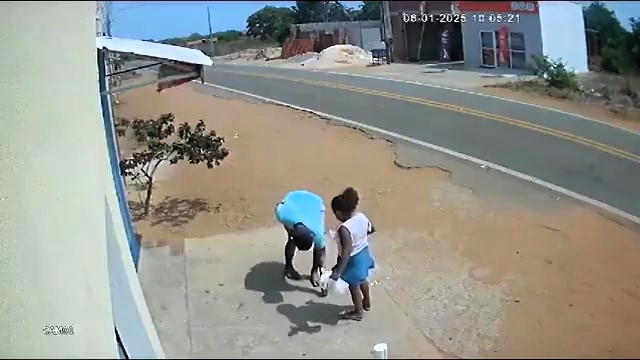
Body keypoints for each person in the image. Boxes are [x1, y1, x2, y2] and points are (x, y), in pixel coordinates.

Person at [329, 187, 376, 321]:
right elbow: (371, 229)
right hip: (364, 253)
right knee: (363, 279)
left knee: (353, 285)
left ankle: (358, 311)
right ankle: (367, 302)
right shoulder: (362, 217)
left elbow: (346, 251)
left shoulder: (344, 229)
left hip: (353, 260)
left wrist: (337, 272)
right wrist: (360, 237)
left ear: (338, 212)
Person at [275, 190, 326, 289]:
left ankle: (315, 271)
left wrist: (317, 268)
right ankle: (288, 267)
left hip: (315, 202)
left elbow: (321, 250)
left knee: (319, 247)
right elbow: (279, 205)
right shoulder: (283, 215)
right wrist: (291, 235)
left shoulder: (317, 231)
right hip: (293, 199)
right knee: (290, 240)